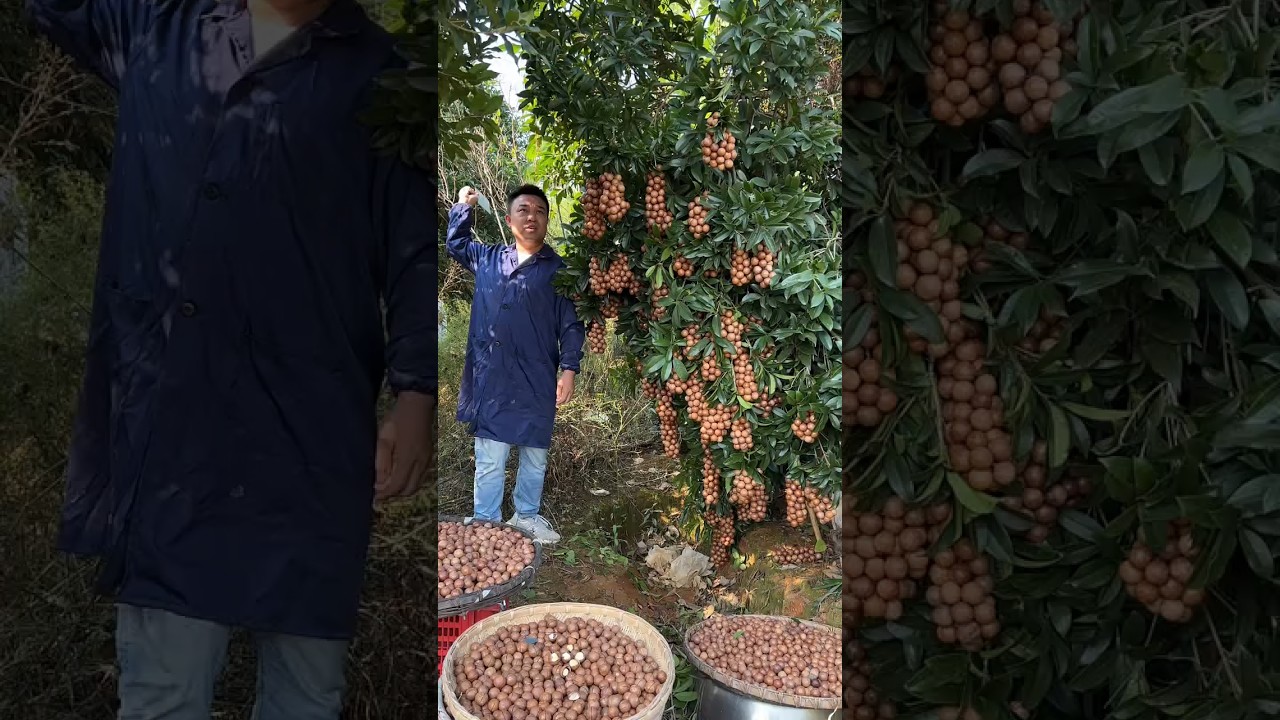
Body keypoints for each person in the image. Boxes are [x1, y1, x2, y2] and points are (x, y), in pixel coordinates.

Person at [26, 0, 436, 717]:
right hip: (177, 437)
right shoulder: (155, 26)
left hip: (311, 433)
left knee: (305, 694)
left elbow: (414, 249)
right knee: (164, 692)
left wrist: (415, 389)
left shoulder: (385, 78)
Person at [446, 184, 585, 544]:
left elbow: (571, 324)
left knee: (535, 456)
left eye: (539, 211)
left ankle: (526, 516)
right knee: (491, 458)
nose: (531, 217)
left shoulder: (560, 271)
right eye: (523, 210)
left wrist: (569, 369)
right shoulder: (489, 259)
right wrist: (463, 207)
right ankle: (485, 522)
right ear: (509, 220)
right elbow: (456, 245)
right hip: (492, 375)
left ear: (547, 220)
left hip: (537, 376)